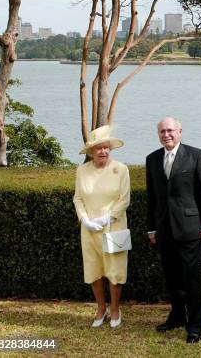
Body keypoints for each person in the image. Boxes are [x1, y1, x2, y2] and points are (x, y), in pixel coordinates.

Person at [146, 117, 201, 344]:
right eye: (162, 131)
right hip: (164, 230)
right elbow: (152, 198)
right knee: (172, 278)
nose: (166, 134)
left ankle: (196, 325)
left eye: (170, 130)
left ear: (180, 131)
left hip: (189, 228)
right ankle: (176, 317)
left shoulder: (196, 155)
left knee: (192, 279)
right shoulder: (152, 159)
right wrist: (151, 228)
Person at [73, 125, 130, 328]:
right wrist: (85, 219)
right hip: (89, 229)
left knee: (115, 270)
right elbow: (78, 198)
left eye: (106, 147)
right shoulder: (82, 170)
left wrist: (108, 218)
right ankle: (100, 308)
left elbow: (124, 200)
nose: (103, 151)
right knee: (93, 269)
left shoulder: (121, 169)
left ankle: (115, 309)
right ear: (91, 151)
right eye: (99, 148)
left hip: (114, 227)